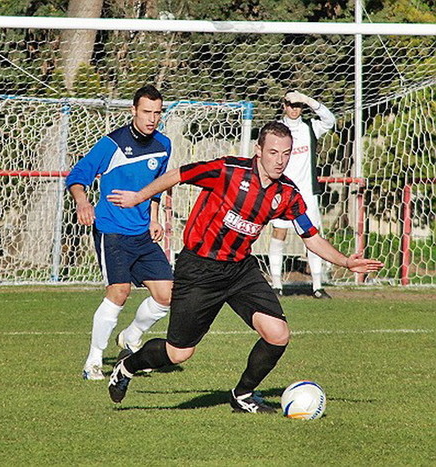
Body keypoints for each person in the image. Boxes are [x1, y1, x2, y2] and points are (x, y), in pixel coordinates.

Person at [105, 121, 383, 412]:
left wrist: (346, 261)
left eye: (286, 153)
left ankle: (242, 395)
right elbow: (178, 174)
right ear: (258, 150)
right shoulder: (228, 171)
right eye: (273, 152)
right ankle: (127, 367)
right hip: (199, 269)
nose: (280, 160)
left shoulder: (287, 193)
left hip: (239, 270)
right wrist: (139, 197)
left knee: (278, 334)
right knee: (179, 353)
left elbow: (311, 237)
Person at [65, 85, 174, 380]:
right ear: (133, 111)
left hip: (142, 232)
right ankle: (93, 362)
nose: (152, 119)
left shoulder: (164, 145)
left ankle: (131, 337)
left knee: (167, 295)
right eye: (146, 112)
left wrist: (154, 219)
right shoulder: (111, 144)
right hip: (111, 230)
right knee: (119, 291)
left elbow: (156, 187)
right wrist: (83, 201)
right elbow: (78, 175)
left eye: (157, 113)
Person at [269, 91, 336, 299]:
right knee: (279, 234)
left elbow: (330, 120)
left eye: (298, 105)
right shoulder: (276, 130)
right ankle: (277, 284)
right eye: (290, 104)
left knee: (312, 236)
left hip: (307, 195)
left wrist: (308, 100)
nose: (294, 108)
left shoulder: (310, 128)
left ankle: (316, 286)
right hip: (282, 192)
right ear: (284, 105)